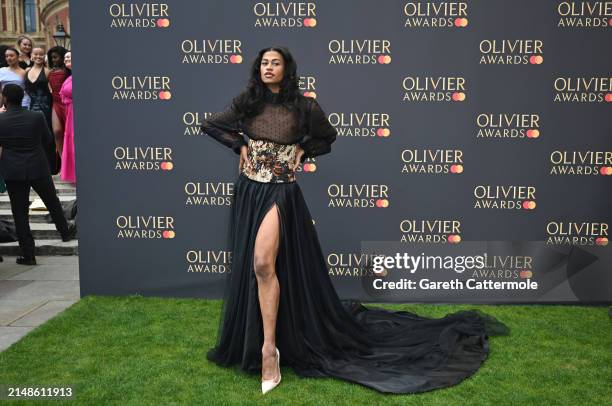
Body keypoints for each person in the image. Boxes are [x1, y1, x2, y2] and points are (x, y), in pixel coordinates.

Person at [201, 46, 510, 395]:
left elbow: (327, 138)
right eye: (264, 64)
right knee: (259, 268)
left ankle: (268, 350)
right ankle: (264, 341)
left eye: (275, 63)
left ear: (287, 70)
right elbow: (210, 124)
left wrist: (304, 149)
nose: (268, 68)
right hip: (249, 192)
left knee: (262, 263)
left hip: (280, 193)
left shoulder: (305, 107)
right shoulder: (247, 102)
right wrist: (238, 145)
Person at [0, 84, 75, 265]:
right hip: (38, 166)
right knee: (52, 202)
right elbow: (48, 139)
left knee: (19, 212)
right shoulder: (36, 116)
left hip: (14, 170)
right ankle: (65, 233)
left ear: (6, 99)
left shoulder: (1, 120)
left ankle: (28, 254)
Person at [25, 47, 56, 173]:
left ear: (44, 57)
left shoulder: (48, 71)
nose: (38, 56)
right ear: (31, 56)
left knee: (47, 136)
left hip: (46, 108)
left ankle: (50, 167)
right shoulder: (26, 70)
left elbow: (53, 91)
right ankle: (35, 167)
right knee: (33, 137)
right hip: (31, 108)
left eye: (41, 54)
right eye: (36, 54)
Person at [47, 46, 69, 156]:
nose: (53, 60)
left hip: (67, 104)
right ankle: (62, 160)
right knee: (57, 132)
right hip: (55, 103)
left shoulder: (68, 71)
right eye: (52, 58)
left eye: (56, 57)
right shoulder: (49, 72)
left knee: (68, 133)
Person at [59, 52, 75, 183]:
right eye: (65, 58)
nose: (67, 59)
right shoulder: (69, 77)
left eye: (70, 56)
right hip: (70, 115)